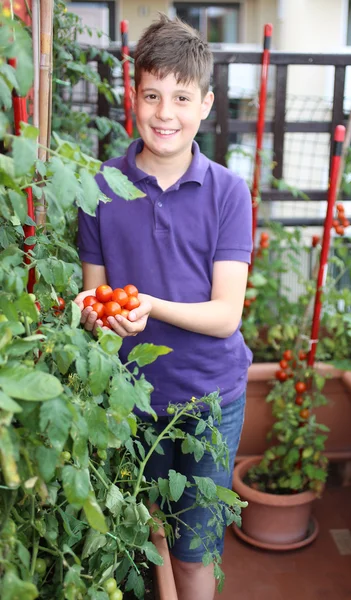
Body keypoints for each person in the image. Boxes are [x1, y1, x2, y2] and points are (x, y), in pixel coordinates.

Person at [74, 13, 252, 600]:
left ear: (204, 104)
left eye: (181, 97)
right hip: (132, 397)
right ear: (134, 96)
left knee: (195, 553)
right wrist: (95, 311)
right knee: (145, 537)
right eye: (152, 95)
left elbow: (227, 314)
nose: (164, 112)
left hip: (209, 399)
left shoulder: (228, 192)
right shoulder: (100, 188)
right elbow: (98, 295)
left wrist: (149, 304)